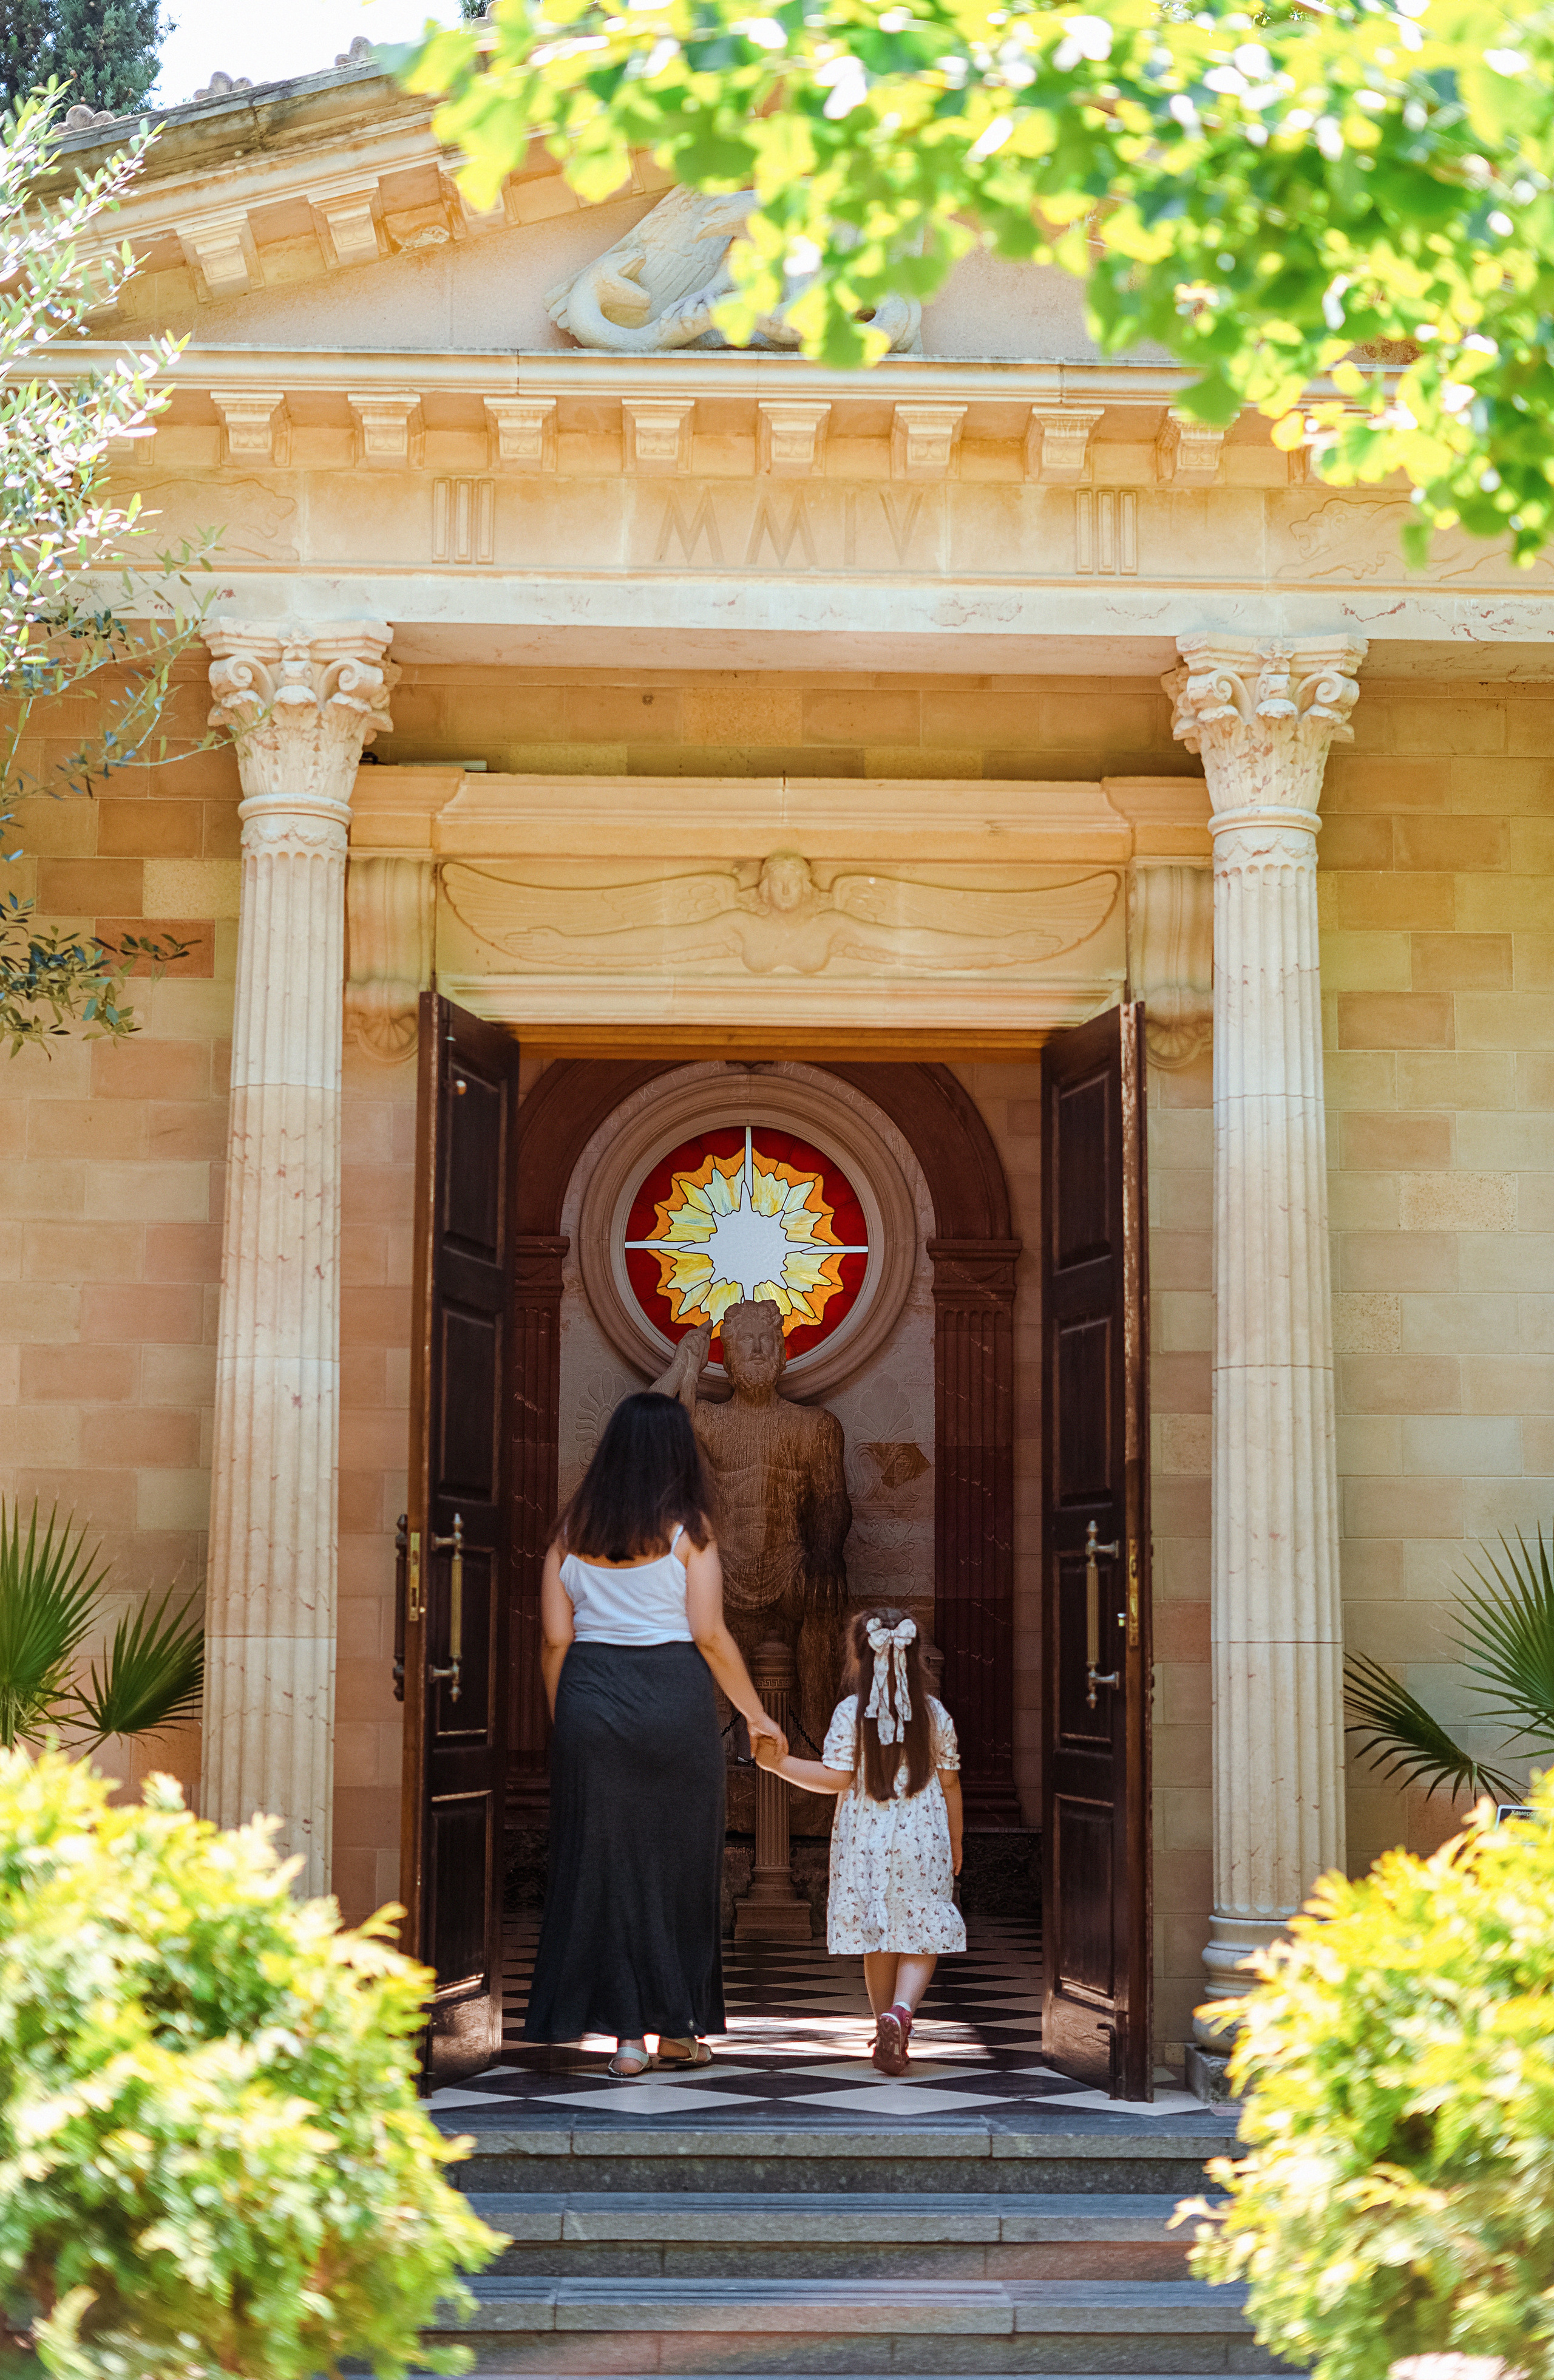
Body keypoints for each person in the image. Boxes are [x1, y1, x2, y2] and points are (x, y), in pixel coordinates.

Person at [525, 1390, 787, 2078]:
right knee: (678, 1869)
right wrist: (757, 1714)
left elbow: (556, 1640)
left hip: (590, 1699)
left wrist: (569, 1719)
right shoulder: (688, 1530)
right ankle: (676, 2028)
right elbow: (708, 1633)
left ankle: (626, 2040)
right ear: (678, 1453)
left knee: (603, 1870)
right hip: (672, 1700)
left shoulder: (568, 1532)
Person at [755, 1606, 965, 2077]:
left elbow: (834, 1778)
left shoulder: (852, 1713)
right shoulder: (934, 1714)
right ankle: (902, 2014)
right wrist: (957, 1840)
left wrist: (777, 1765)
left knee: (879, 1933)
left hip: (865, 1839)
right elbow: (950, 1785)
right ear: (916, 1660)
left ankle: (881, 2022)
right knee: (921, 1929)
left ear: (860, 1659)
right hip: (924, 1836)